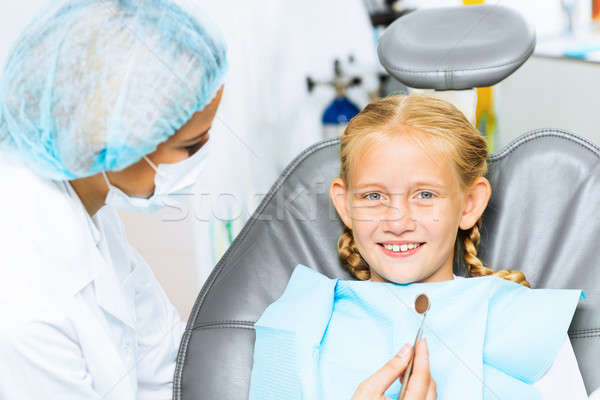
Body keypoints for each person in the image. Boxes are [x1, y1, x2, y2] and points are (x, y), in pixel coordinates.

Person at [0, 1, 435, 398]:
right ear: (112, 139)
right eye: (190, 146)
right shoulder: (26, 304)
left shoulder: (89, 215)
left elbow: (180, 369)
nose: (201, 161)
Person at [249, 94, 589, 399]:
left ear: (469, 203)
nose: (397, 222)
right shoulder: (297, 320)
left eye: (425, 195)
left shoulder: (529, 323)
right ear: (345, 203)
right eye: (373, 196)